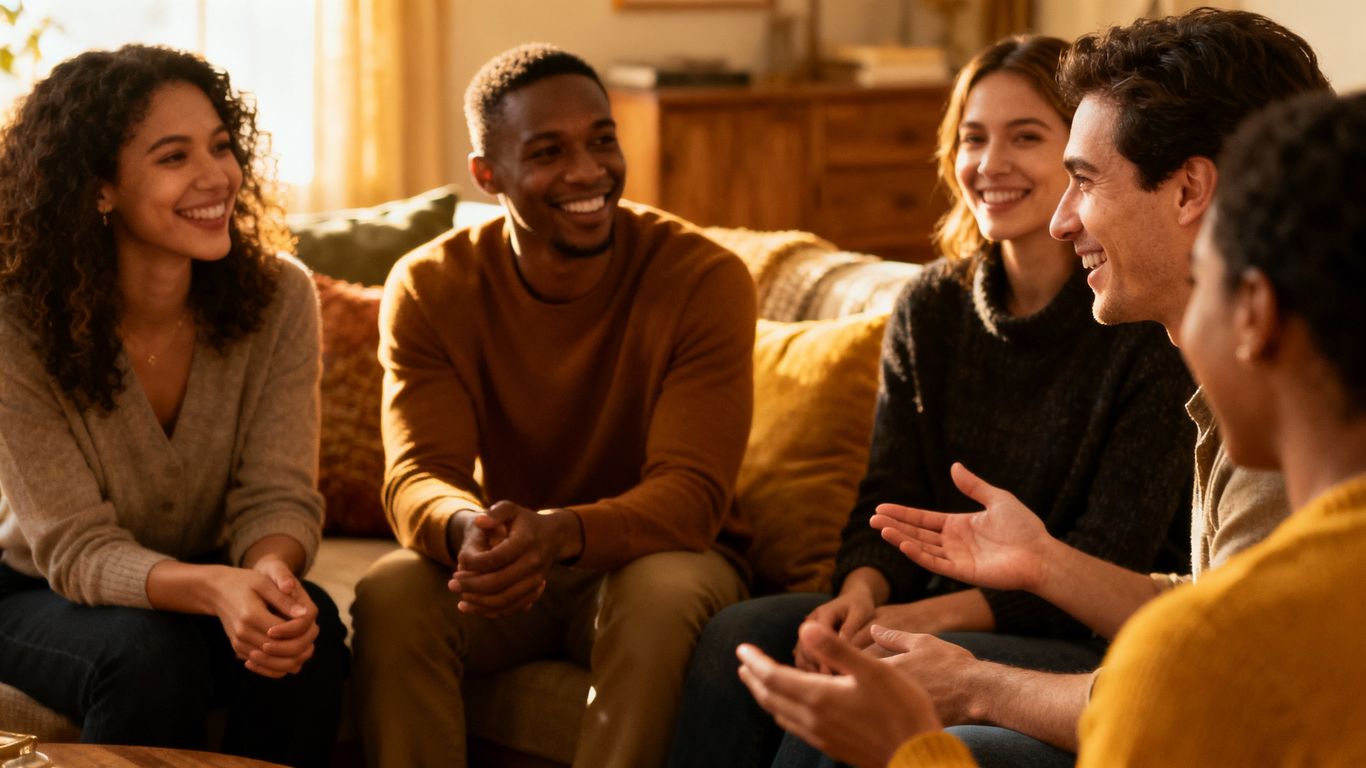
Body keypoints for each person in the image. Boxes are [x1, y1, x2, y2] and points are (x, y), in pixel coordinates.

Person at [734, 8, 1331, 767]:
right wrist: (1041, 563)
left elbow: (1209, 694)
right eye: (976, 138)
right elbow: (1210, 615)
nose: (1061, 219)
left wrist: (975, 684)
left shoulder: (1291, 412)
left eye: (1081, 179)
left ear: (1189, 191)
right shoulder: (1240, 387)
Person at [669, 34, 1198, 768]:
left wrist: (913, 619)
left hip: (1080, 628)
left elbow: (1107, 557)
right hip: (929, 604)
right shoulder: (931, 307)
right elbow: (886, 494)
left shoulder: (1135, 312)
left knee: (857, 686)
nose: (991, 164)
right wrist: (861, 594)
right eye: (973, 138)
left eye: (1026, 137)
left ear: (1081, 161)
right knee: (740, 635)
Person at [349, 43, 756, 768]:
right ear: (487, 173)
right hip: (516, 564)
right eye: (548, 152)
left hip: (659, 555)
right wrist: (467, 527)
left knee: (660, 597)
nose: (588, 172)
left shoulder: (702, 278)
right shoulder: (431, 286)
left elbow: (692, 498)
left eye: (602, 140)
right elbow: (416, 476)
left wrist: (561, 532)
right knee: (394, 593)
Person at [0, 45, 346, 767]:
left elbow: (276, 497)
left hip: (207, 578)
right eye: (173, 156)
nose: (216, 175)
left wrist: (271, 580)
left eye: (221, 146)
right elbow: (73, 549)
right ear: (98, 188)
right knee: (149, 656)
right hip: (32, 591)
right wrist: (219, 589)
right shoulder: (15, 327)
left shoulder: (280, 298)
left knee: (308, 635)